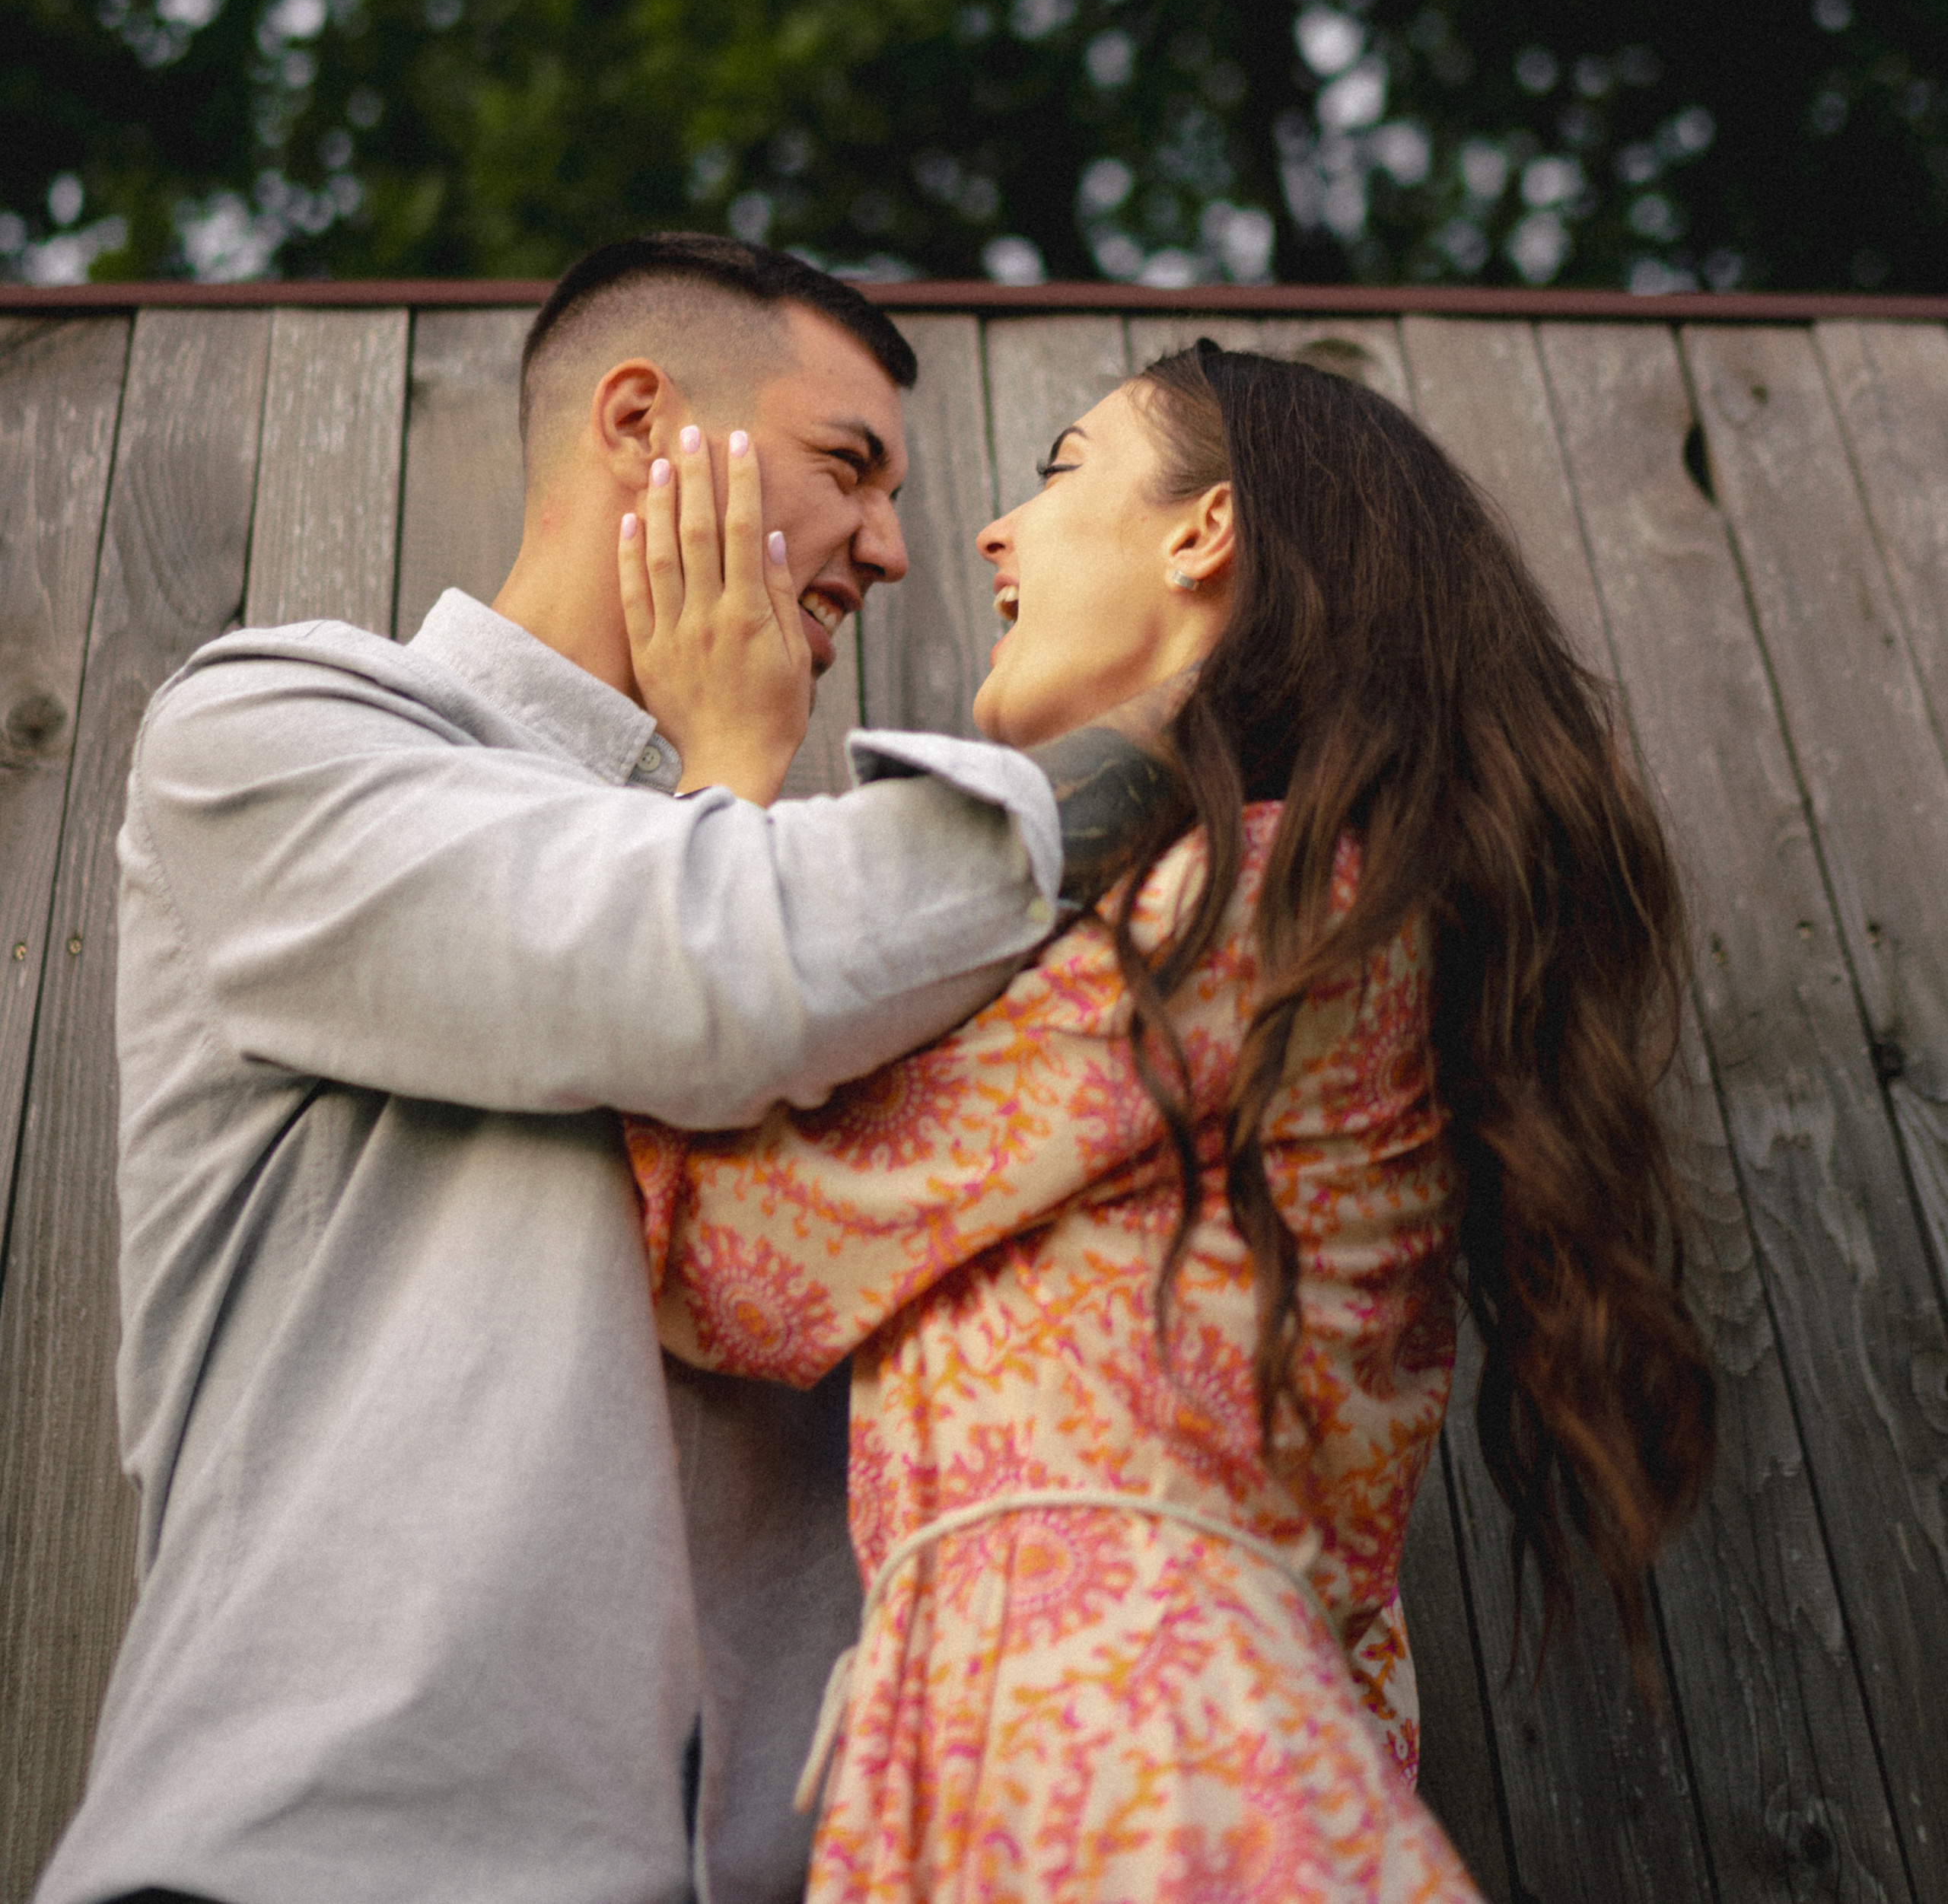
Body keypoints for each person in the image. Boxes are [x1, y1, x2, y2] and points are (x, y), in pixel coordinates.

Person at [35, 235, 1189, 1904]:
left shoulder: (846, 930)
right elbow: (701, 973)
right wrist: (1217, 711)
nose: (891, 544)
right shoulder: (279, 732)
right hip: (325, 1852)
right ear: (641, 419)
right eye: (847, 465)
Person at [627, 341, 1717, 1903]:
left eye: (1059, 471)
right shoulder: (1288, 901)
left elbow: (746, 1259)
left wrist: (719, 779)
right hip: (1072, 1735)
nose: (992, 534)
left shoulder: (1244, 906)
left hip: (1126, 1738)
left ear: (1202, 530)